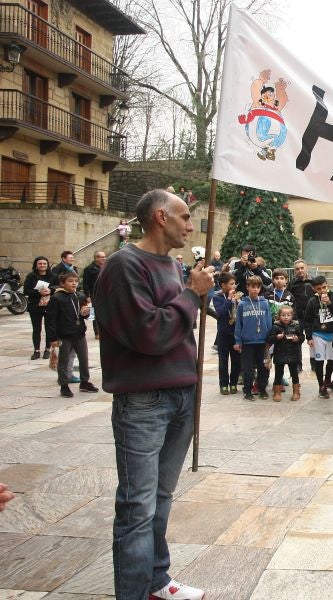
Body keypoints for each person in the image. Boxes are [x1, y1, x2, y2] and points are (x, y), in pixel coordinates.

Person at [94, 188, 214, 600]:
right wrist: (190, 295)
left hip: (181, 394)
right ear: (161, 217)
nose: (189, 224)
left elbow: (176, 325)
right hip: (144, 402)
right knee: (137, 508)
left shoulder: (170, 264)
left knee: (160, 499)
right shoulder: (124, 266)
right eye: (183, 216)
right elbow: (151, 333)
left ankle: (156, 581)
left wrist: (193, 294)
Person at [46, 271, 99, 398]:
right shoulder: (57, 298)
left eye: (75, 281)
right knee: (64, 361)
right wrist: (52, 338)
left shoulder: (80, 296)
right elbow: (50, 319)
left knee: (84, 359)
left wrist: (86, 312)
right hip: (64, 334)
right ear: (62, 283)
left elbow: (89, 316)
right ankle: (64, 385)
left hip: (79, 333)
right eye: (70, 281)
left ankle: (84, 382)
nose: (74, 283)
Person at [304, 275, 333, 398]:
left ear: (327, 285)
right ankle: (321, 385)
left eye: (324, 287)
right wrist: (309, 337)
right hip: (318, 334)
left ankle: (328, 380)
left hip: (332, 334)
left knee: (332, 360)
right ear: (314, 289)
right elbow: (307, 320)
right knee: (319, 361)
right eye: (319, 288)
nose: (322, 290)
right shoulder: (312, 301)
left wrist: (329, 303)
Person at [234, 275, 272, 401]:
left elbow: (269, 322)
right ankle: (247, 391)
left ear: (260, 288)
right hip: (248, 342)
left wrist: (270, 339)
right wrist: (238, 341)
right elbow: (238, 324)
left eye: (258, 287)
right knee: (248, 368)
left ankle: (262, 389)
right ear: (247, 287)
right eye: (253, 287)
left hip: (262, 341)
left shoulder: (265, 303)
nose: (255, 289)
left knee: (263, 367)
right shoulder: (242, 305)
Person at [266, 305, 303, 402]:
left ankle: (296, 392)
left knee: (294, 373)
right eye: (283, 315)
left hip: (293, 353)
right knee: (278, 373)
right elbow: (269, 339)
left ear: (292, 316)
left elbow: (302, 337)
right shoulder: (275, 327)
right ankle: (277, 392)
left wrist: (297, 339)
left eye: (288, 315)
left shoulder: (296, 326)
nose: (286, 317)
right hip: (279, 353)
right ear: (279, 316)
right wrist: (276, 337)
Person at [212, 272, 241, 395]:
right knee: (223, 361)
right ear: (223, 285)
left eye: (235, 283)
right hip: (223, 334)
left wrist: (238, 301)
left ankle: (233, 383)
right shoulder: (217, 297)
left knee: (236, 361)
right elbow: (221, 312)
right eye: (231, 284)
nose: (234, 286)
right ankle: (223, 384)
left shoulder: (238, 296)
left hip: (235, 334)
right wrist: (229, 299)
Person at [24, 256, 53, 360]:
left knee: (49, 328)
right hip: (35, 306)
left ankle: (47, 349)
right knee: (36, 329)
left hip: (49, 305)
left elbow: (58, 286)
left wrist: (50, 290)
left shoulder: (53, 276)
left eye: (44, 263)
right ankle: (36, 350)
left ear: (47, 265)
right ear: (36, 265)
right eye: (40, 263)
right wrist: (38, 292)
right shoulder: (31, 276)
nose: (42, 265)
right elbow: (26, 291)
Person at [82, 250, 106, 340]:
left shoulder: (106, 267)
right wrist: (87, 295)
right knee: (94, 314)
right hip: (93, 294)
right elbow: (85, 283)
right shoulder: (89, 269)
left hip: (105, 294)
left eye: (104, 256)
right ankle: (97, 332)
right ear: (96, 258)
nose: (104, 258)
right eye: (102, 257)